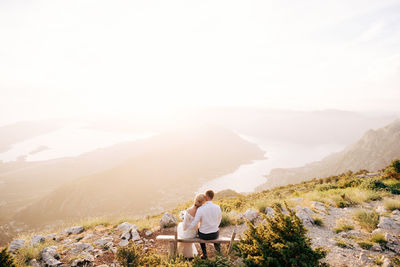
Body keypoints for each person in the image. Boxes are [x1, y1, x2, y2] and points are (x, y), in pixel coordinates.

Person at [185, 190, 222, 259]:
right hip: (215, 234)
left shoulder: (201, 209)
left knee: (200, 231)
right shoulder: (217, 207)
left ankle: (204, 254)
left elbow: (195, 222)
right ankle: (219, 253)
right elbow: (219, 219)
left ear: (207, 196)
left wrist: (187, 228)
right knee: (216, 233)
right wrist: (215, 227)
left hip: (204, 235)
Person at [177, 194, 206, 258]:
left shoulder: (189, 210)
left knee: (180, 226)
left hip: (187, 234)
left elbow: (184, 227)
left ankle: (181, 253)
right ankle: (186, 253)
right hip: (193, 234)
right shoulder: (201, 212)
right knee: (182, 229)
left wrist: (184, 220)